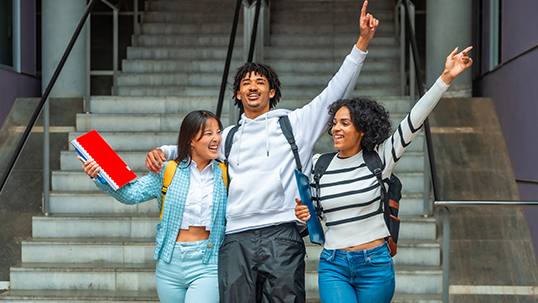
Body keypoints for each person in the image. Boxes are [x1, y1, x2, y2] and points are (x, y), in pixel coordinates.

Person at [145, 2, 379, 302]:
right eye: (246, 83)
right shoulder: (226, 138)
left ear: (271, 92)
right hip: (234, 238)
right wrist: (162, 153)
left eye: (260, 82)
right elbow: (195, 143)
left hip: (282, 233)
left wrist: (361, 44)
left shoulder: (295, 124)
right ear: (238, 94)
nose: (252, 86)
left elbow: (334, 91)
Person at [294, 46, 473, 303]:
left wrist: (445, 78)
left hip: (375, 265)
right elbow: (312, 217)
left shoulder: (380, 158)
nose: (336, 129)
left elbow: (414, 119)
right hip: (333, 264)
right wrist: (302, 215)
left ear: (363, 130)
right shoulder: (318, 165)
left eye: (345, 123)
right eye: (334, 123)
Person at [79, 110, 227, 303]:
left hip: (208, 262)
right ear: (191, 139)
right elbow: (131, 194)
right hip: (168, 262)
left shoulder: (225, 173)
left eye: (218, 132)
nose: (216, 138)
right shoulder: (169, 170)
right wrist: (98, 176)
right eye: (208, 133)